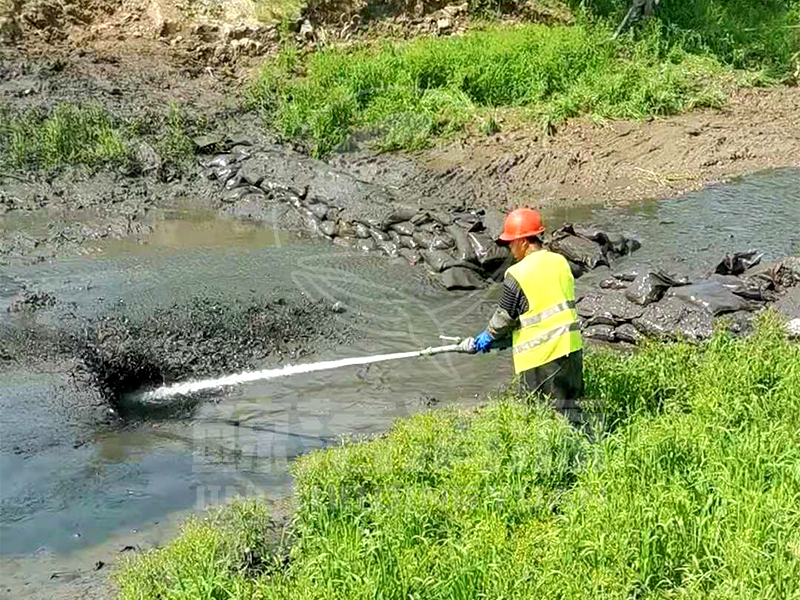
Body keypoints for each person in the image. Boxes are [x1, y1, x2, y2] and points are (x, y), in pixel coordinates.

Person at [459, 208, 585, 423]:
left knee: (542, 418)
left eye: (511, 242)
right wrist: (509, 339)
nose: (510, 247)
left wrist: (486, 338)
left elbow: (505, 317)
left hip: (542, 358)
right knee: (571, 411)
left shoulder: (517, 273)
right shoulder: (560, 262)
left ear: (525, 242)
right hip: (571, 350)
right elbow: (545, 307)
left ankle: (561, 454)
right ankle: (587, 449)